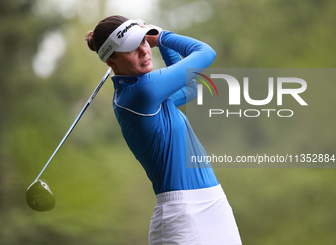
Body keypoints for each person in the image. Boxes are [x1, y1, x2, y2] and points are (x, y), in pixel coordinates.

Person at [85, 15, 242, 245]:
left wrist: (159, 42)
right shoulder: (142, 93)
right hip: (182, 216)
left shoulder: (145, 92)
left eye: (144, 41)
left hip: (215, 204)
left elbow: (190, 89)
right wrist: (163, 37)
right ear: (112, 62)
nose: (144, 50)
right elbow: (206, 52)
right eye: (131, 48)